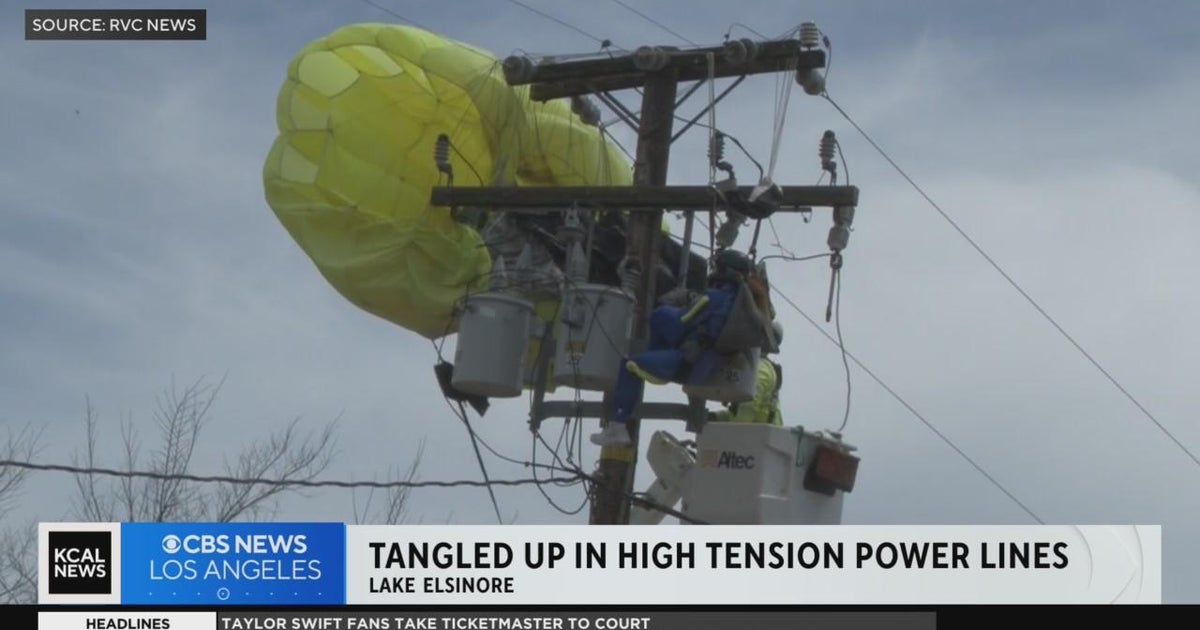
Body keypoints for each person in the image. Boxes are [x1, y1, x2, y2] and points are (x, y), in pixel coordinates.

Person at [591, 249, 770, 447]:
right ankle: (654, 360)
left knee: (630, 364)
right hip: (708, 365)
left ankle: (618, 427)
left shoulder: (713, 298)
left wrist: (672, 304)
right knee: (661, 319)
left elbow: (681, 322)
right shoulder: (742, 304)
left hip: (688, 363)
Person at [711, 321, 784, 425]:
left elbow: (747, 411)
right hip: (759, 432)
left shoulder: (760, 369)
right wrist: (715, 417)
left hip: (760, 435)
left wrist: (735, 432)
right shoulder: (752, 367)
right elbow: (737, 413)